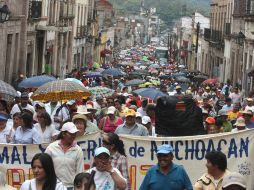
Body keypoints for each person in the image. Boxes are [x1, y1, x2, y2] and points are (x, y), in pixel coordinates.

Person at [45, 122, 84, 189]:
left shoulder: (78, 150)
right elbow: (45, 166)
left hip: (71, 187)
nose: (73, 136)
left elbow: (80, 172)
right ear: (63, 134)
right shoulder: (51, 147)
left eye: (74, 134)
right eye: (71, 134)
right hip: (54, 186)